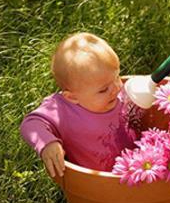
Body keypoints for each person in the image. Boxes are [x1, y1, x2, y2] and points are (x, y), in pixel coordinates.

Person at [20, 32, 138, 177]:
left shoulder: (118, 91)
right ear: (72, 97)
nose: (116, 88)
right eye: (103, 90)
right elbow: (31, 123)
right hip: (97, 183)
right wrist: (47, 143)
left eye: (117, 77)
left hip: (140, 166)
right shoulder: (63, 109)